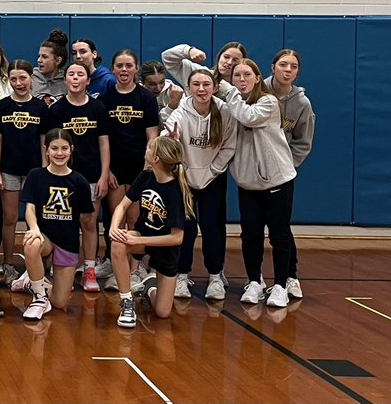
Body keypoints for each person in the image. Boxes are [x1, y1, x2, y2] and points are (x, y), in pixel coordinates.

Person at [219, 59, 298, 308]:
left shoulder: (268, 102)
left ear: (257, 78)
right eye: (236, 76)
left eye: (246, 75)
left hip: (277, 182)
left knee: (279, 235)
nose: (241, 80)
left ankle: (281, 285)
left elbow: (248, 117)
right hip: (248, 185)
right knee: (250, 235)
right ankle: (254, 281)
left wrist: (230, 93)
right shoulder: (229, 105)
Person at [166, 68, 236, 301]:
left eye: (206, 84)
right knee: (185, 228)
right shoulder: (180, 112)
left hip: (213, 177)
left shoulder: (224, 111)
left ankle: (215, 276)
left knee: (212, 227)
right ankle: (182, 275)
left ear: (215, 87)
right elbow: (168, 141)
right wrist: (173, 144)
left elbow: (229, 146)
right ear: (188, 88)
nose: (201, 89)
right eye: (196, 84)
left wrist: (211, 171)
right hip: (184, 179)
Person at [108, 136, 192, 328]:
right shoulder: (145, 176)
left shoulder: (175, 191)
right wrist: (114, 227)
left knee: (162, 313)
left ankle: (149, 288)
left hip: (165, 247)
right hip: (143, 238)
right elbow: (122, 206)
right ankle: (127, 301)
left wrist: (140, 240)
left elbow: (177, 238)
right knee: (119, 243)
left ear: (156, 158)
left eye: (149, 148)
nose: (145, 150)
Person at [94, 50, 160, 288]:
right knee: (116, 218)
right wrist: (107, 169)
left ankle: (134, 269)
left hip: (138, 167)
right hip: (114, 167)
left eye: (128, 65)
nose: (123, 70)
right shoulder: (105, 97)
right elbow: (103, 138)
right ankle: (116, 265)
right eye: (119, 65)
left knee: (135, 218)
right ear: (113, 69)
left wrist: (147, 169)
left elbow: (152, 136)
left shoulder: (145, 98)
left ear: (136, 68)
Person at [13, 128, 94, 322]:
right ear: (46, 150)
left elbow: (86, 220)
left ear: (71, 149)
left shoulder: (80, 182)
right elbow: (30, 209)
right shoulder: (35, 176)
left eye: (64, 148)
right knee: (32, 242)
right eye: (54, 148)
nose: (59, 153)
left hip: (67, 243)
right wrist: (34, 229)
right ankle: (39, 297)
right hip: (45, 238)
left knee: (59, 303)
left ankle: (30, 283)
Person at [45, 62, 110, 292]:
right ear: (65, 80)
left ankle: (89, 270)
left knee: (89, 222)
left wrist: (104, 175)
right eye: (71, 74)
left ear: (88, 80)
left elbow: (104, 143)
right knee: (60, 222)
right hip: (62, 177)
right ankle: (59, 269)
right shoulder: (57, 110)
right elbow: (50, 144)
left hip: (91, 174)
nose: (75, 78)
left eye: (80, 74)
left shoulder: (98, 108)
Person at [0, 59, 47, 283]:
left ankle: (40, 262)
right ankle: (8, 264)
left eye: (22, 78)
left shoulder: (40, 107)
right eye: (13, 79)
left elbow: (45, 140)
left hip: (34, 171)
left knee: (37, 219)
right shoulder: (2, 106)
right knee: (10, 218)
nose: (18, 83)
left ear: (31, 79)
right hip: (8, 169)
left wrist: (45, 170)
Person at [267, 49, 315, 294]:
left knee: (280, 227)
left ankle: (289, 276)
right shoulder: (257, 93)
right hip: (255, 172)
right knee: (253, 230)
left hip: (282, 174)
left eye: (293, 66)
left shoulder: (302, 103)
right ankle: (254, 280)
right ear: (273, 66)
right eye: (283, 65)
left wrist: (287, 166)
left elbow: (303, 142)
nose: (288, 70)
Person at [161, 41, 247, 89]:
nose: (229, 62)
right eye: (226, 57)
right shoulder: (199, 74)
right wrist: (189, 51)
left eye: (235, 60)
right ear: (219, 57)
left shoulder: (243, 86)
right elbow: (167, 57)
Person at [33, 29, 69, 105]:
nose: (39, 60)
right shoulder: (31, 78)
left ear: (58, 60)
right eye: (39, 56)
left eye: (44, 57)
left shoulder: (68, 82)